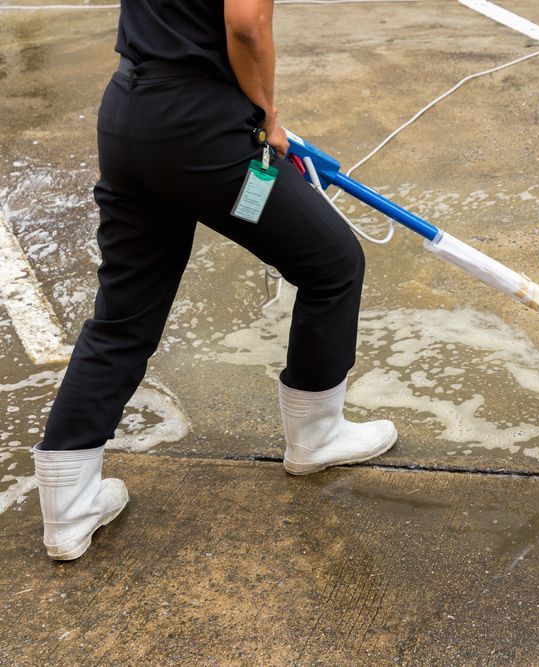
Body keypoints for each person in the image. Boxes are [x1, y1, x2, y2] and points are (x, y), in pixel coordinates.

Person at [32, 0, 397, 561]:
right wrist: (268, 115)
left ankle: (67, 511)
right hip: (200, 125)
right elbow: (247, 25)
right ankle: (316, 435)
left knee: (123, 316)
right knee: (333, 265)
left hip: (130, 114)